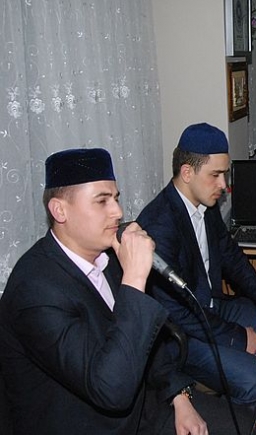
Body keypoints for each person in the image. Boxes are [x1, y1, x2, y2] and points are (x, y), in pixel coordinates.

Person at [0, 148, 209, 434]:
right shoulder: (34, 290)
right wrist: (135, 277)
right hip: (91, 424)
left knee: (246, 420)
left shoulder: (108, 256)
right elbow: (111, 390)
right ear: (60, 210)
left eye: (116, 198)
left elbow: (148, 342)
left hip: (144, 407)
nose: (118, 212)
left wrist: (179, 396)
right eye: (102, 201)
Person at [137, 124, 256, 407]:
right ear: (187, 172)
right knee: (254, 380)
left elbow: (232, 257)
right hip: (182, 332)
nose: (224, 185)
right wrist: (239, 338)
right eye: (215, 175)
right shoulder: (159, 225)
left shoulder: (206, 205)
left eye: (225, 174)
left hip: (212, 308)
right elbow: (178, 312)